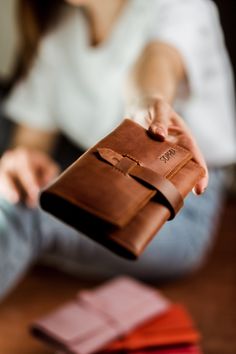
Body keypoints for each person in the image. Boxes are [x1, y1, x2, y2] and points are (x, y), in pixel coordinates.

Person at [0, 0, 235, 300]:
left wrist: (146, 103)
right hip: (97, 175)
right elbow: (30, 142)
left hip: (171, 211)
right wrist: (20, 158)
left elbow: (159, 59)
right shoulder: (60, 29)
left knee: (26, 206)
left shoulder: (181, 6)